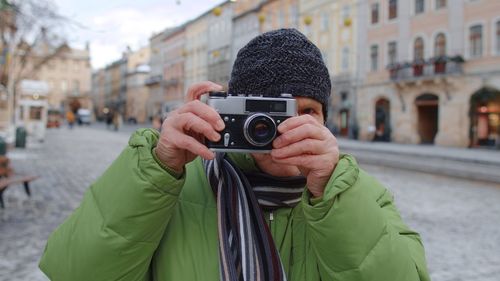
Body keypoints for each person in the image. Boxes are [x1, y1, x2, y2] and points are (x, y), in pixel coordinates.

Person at [39, 29, 430, 281]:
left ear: (326, 120)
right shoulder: (175, 184)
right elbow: (76, 272)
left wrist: (334, 194)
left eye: (306, 113)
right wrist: (156, 167)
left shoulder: (357, 194)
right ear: (234, 111)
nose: (283, 128)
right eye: (269, 112)